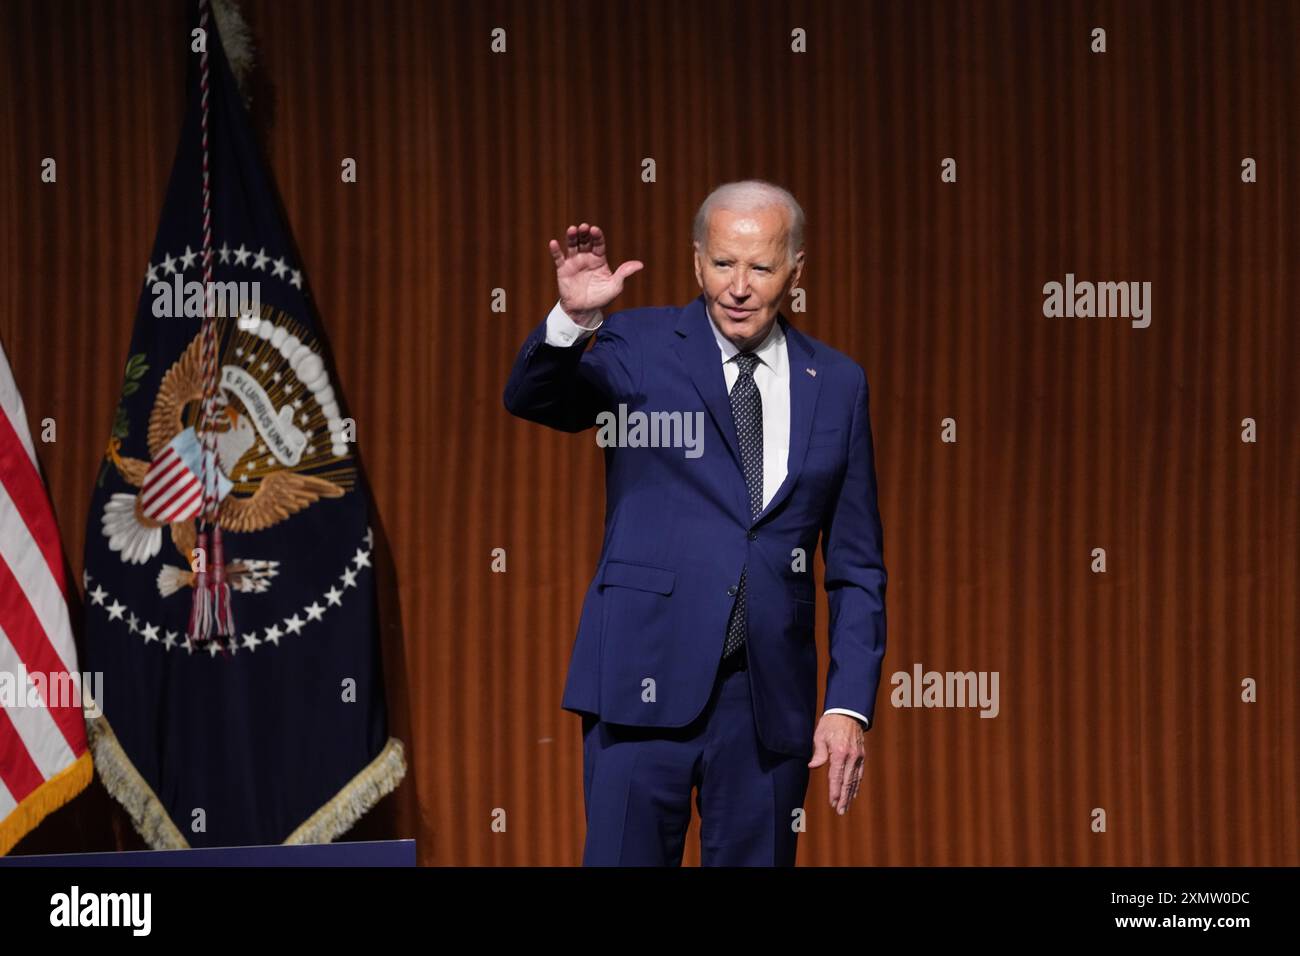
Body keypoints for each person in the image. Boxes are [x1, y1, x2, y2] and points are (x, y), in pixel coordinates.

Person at [503, 179, 887, 866]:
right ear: (696, 263)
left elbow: (857, 568)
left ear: (796, 272)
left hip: (768, 706)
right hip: (640, 681)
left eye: (761, 267)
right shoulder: (639, 342)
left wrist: (848, 705)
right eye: (722, 264)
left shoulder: (838, 383)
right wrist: (569, 322)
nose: (738, 286)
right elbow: (537, 399)